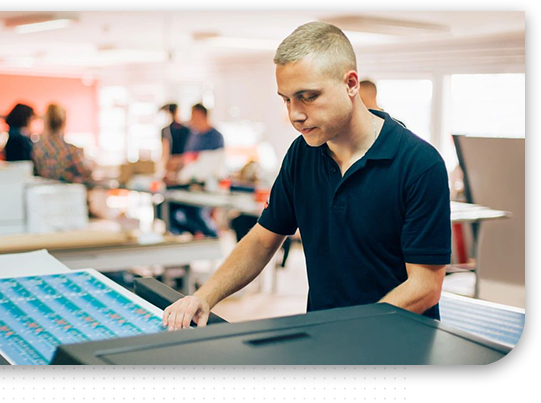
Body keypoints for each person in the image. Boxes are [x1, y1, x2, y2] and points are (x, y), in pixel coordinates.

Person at [163, 21, 450, 330]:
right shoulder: (302, 153)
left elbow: (425, 287)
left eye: (308, 97)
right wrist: (204, 296)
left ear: (351, 84)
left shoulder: (419, 164)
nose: (294, 114)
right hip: (324, 339)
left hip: (397, 344)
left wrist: (348, 331)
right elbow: (262, 239)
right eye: (286, 99)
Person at [168, 103, 225, 238]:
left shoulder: (215, 137)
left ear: (201, 115)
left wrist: (182, 160)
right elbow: (189, 160)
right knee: (171, 212)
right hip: (188, 184)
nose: (191, 119)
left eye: (193, 116)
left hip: (205, 186)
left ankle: (213, 237)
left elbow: (207, 162)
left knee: (196, 215)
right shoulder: (194, 135)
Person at [32, 103, 93, 183]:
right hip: (69, 192)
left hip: (43, 191)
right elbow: (85, 172)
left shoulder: (37, 149)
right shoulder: (70, 150)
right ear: (63, 123)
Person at [160, 103, 191, 180]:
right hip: (179, 163)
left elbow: (165, 151)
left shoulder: (186, 130)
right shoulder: (186, 129)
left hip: (181, 163)